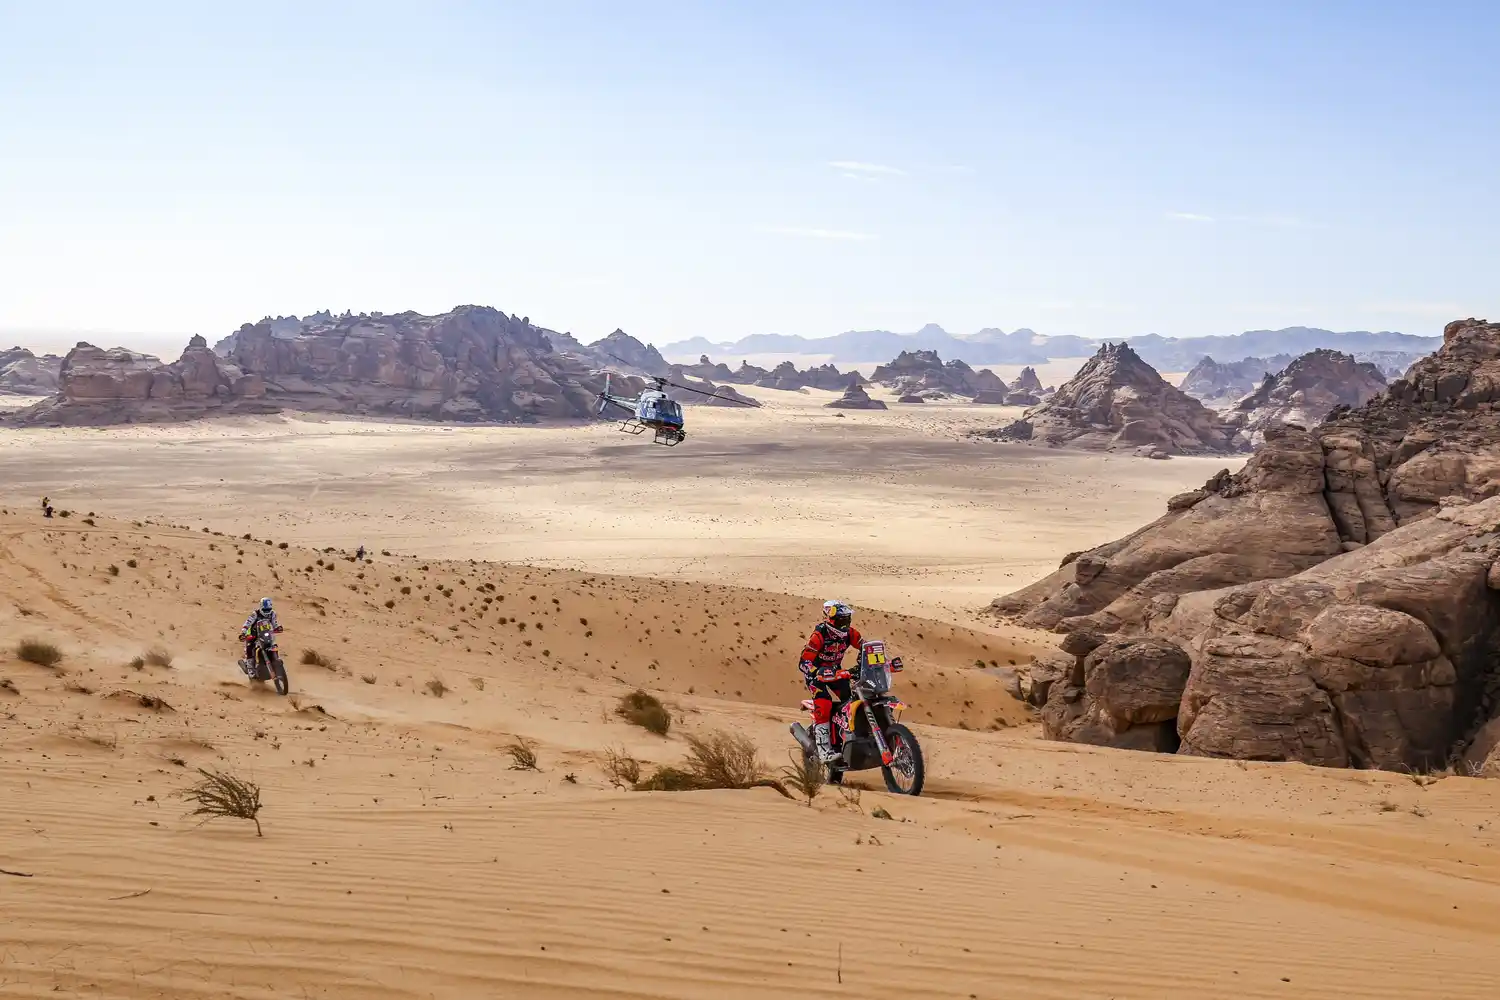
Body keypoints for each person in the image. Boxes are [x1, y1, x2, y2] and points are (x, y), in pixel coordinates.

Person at [798, 599, 863, 764]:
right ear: (831, 619)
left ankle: (848, 737)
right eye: (842, 620)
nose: (845, 623)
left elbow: (865, 647)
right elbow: (804, 662)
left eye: (847, 619)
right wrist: (816, 671)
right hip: (816, 676)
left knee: (852, 700)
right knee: (824, 704)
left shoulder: (850, 633)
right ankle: (824, 750)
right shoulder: (819, 635)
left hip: (835, 673)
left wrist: (876, 659)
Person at [239, 597, 280, 668]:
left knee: (274, 645)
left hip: (267, 634)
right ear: (261, 607)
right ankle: (250, 668)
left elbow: (274, 623)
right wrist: (243, 633)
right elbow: (247, 623)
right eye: (265, 610)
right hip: (253, 634)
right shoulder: (255, 614)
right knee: (250, 647)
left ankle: (276, 660)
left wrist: (278, 628)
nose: (267, 612)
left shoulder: (272, 614)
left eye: (268, 609)